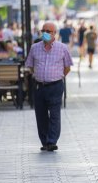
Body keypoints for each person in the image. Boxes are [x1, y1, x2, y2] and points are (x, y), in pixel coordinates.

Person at [25, 22, 73, 152]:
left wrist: (58, 76)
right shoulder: (35, 48)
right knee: (40, 115)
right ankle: (44, 141)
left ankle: (52, 141)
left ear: (54, 34)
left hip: (55, 85)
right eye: (44, 30)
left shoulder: (62, 48)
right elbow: (30, 65)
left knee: (54, 114)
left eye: (49, 31)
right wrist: (37, 74)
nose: (46, 33)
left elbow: (67, 67)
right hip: (39, 86)